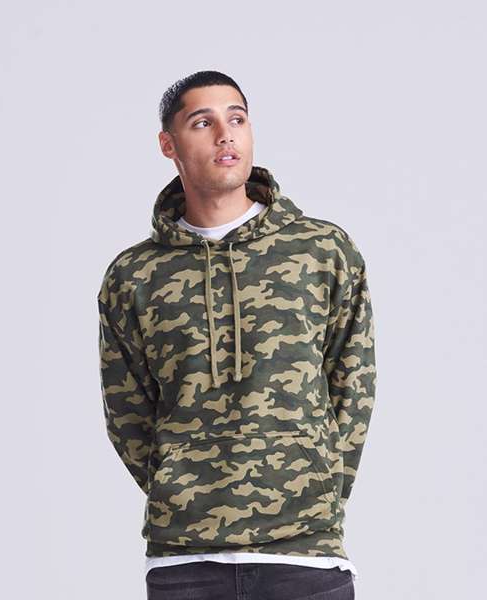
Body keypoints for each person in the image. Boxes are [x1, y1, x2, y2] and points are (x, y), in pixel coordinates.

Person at [97, 70, 377, 600]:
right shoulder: (134, 275)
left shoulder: (321, 250)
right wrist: (179, 487)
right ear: (169, 144)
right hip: (186, 561)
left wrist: (319, 491)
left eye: (238, 119)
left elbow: (352, 387)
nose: (226, 135)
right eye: (203, 123)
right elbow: (127, 413)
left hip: (305, 556)